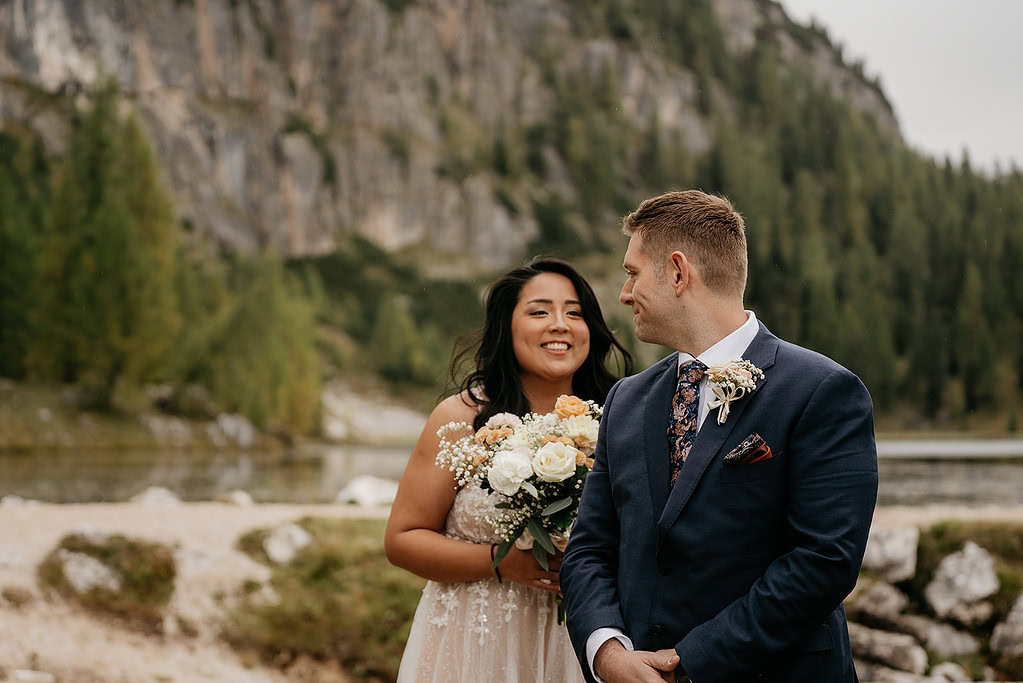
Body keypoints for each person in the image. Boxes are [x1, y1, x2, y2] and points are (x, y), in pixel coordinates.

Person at [560, 190, 878, 683]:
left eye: (633, 273)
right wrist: (607, 652)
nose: (624, 294)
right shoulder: (626, 399)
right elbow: (590, 548)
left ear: (679, 272)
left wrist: (689, 665)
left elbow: (824, 560)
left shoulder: (822, 390)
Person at [386, 258, 633, 682]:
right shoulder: (461, 418)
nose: (560, 324)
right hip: (474, 643)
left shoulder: (621, 418)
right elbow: (402, 540)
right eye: (539, 311)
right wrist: (500, 563)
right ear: (508, 327)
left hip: (582, 641)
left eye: (575, 313)